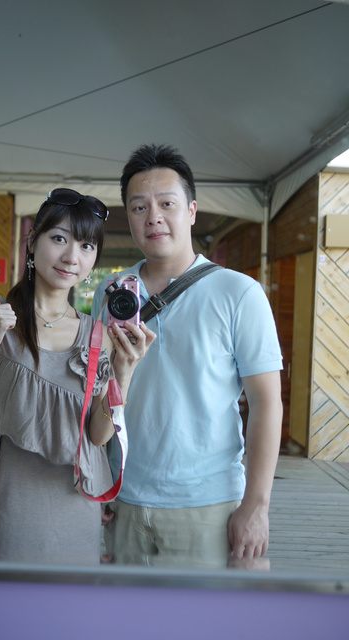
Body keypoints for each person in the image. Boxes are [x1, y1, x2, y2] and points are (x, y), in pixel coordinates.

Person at [0, 188, 156, 564]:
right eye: (59, 239)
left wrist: (124, 371)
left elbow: (97, 436)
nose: (71, 257)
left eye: (86, 246)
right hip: (2, 522)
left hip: (75, 521)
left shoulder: (97, 335)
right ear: (32, 243)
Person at [92, 144, 283, 570]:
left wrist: (256, 505)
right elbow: (98, 394)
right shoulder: (112, 293)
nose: (153, 217)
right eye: (139, 207)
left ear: (192, 211)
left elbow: (267, 402)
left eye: (167, 203)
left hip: (208, 505)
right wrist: (99, 479)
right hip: (123, 500)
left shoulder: (239, 292)